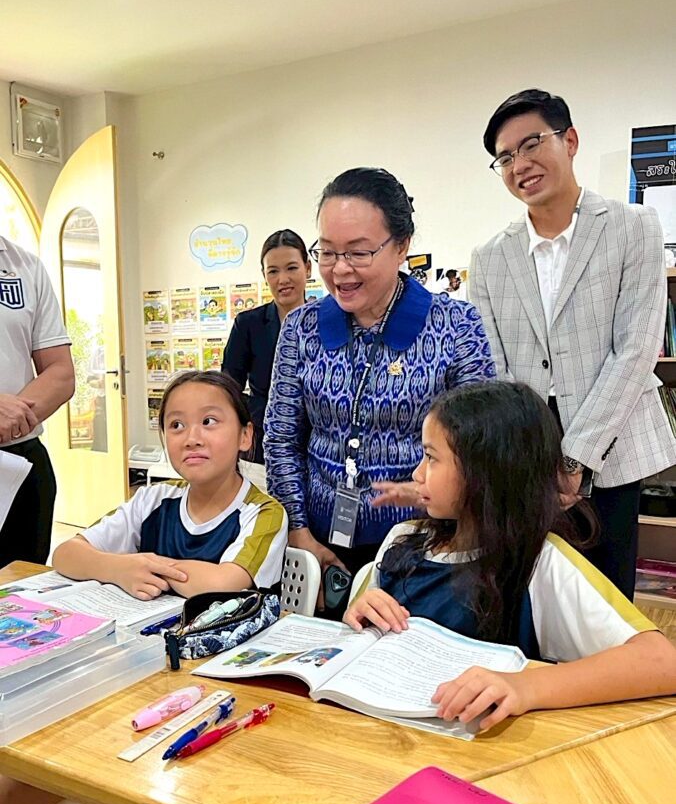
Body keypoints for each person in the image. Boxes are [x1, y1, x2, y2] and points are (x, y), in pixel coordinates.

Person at [0, 369, 287, 804]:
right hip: (117, 684)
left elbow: (228, 582)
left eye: (211, 421)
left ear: (245, 436)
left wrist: (138, 563)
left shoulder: (263, 513)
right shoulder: (154, 499)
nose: (192, 437)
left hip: (204, 707)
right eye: (176, 425)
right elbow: (67, 552)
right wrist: (120, 567)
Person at [344, 381, 676, 730]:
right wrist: (358, 614)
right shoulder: (402, 541)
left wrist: (525, 687)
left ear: (485, 473)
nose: (417, 474)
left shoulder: (541, 563)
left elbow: (661, 661)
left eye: (431, 458)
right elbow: (352, 644)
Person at [469, 89, 676, 599]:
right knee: (534, 596)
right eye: (505, 156)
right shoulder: (491, 256)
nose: (520, 164)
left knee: (605, 599)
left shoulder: (633, 227)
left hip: (610, 441)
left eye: (532, 143)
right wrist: (533, 457)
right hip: (527, 448)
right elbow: (494, 367)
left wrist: (574, 458)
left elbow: (636, 348)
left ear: (571, 140)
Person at [264, 167, 495, 592]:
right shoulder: (302, 327)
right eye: (327, 252)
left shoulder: (455, 325)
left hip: (427, 543)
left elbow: (480, 446)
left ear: (402, 246)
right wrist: (297, 530)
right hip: (319, 545)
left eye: (358, 252)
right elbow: (281, 437)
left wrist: (434, 510)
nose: (339, 270)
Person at [0, 236, 74, 566]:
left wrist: (8, 420)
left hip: (21, 460)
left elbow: (60, 372)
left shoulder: (24, 266)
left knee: (20, 602)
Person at [222, 229, 311, 464]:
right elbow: (229, 386)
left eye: (292, 268)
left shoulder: (328, 321)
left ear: (308, 268)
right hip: (263, 441)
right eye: (273, 271)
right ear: (264, 275)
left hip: (317, 442)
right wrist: (249, 423)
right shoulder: (248, 324)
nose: (283, 279)